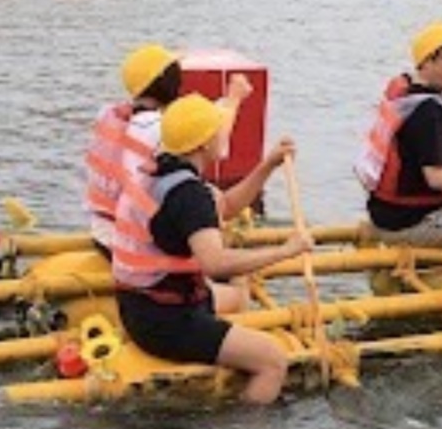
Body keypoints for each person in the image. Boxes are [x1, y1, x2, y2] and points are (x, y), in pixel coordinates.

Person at [111, 94, 311, 405]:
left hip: (137, 304)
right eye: (219, 130)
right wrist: (287, 250)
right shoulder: (189, 196)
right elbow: (215, 264)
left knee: (236, 297)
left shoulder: (156, 171)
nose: (224, 135)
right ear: (203, 144)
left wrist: (268, 164)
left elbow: (227, 206)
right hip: (166, 321)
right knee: (273, 361)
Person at [84, 45, 253, 259]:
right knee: (209, 197)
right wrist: (234, 99)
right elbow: (213, 142)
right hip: (129, 239)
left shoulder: (108, 114)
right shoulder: (154, 128)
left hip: (101, 229)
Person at [356, 21, 442, 249]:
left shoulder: (404, 95)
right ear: (427, 61)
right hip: (414, 224)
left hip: (386, 216)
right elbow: (437, 177)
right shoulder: (429, 113)